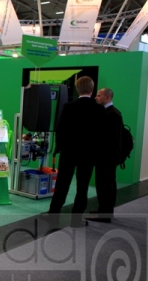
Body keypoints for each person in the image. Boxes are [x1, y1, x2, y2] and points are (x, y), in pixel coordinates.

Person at [47, 76, 105, 227]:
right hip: (88, 154)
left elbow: (60, 130)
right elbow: (101, 134)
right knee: (82, 187)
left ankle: (53, 214)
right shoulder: (99, 109)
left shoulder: (68, 107)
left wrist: (59, 148)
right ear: (92, 89)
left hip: (68, 152)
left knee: (62, 184)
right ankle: (76, 219)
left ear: (77, 89)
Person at [87, 88, 122, 223]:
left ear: (107, 97)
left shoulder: (112, 114)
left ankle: (105, 213)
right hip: (107, 156)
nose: (96, 97)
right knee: (106, 184)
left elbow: (107, 138)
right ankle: (104, 210)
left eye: (99, 95)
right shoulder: (110, 112)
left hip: (106, 157)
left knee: (105, 185)